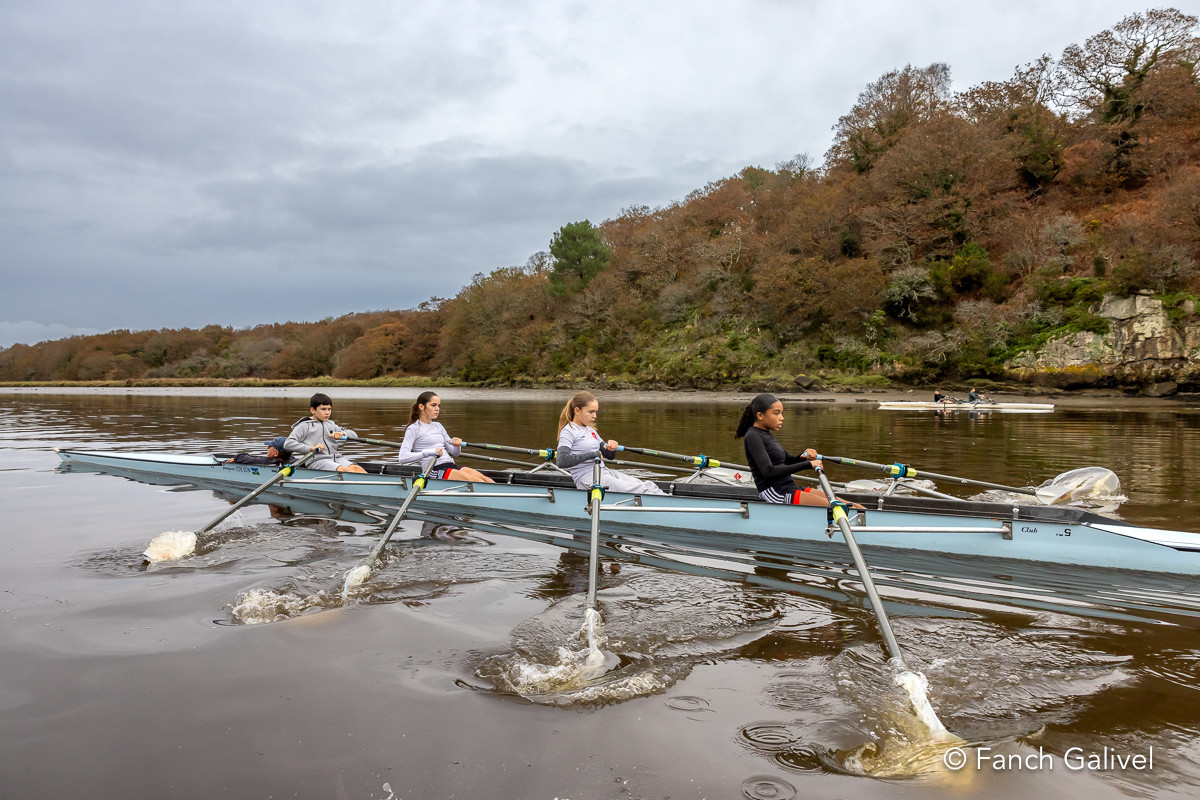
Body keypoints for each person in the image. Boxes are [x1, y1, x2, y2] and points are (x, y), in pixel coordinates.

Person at [556, 391, 665, 495]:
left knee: (648, 485)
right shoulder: (568, 431)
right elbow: (561, 461)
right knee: (640, 489)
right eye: (591, 412)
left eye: (595, 412)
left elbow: (607, 455)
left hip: (603, 471)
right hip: (586, 477)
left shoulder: (590, 430)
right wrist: (593, 455)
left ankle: (670, 503)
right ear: (577, 411)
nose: (595, 416)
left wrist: (610, 447)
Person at [735, 393, 830, 507]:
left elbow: (789, 460)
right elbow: (768, 472)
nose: (781, 418)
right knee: (836, 506)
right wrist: (808, 465)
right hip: (775, 492)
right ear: (760, 416)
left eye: (781, 413)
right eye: (776, 413)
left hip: (789, 488)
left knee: (851, 505)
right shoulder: (753, 436)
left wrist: (804, 457)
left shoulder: (767, 435)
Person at [398, 391, 494, 482]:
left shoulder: (438, 426)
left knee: (486, 479)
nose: (437, 409)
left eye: (438, 405)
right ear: (421, 406)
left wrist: (457, 445)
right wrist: (429, 452)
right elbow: (402, 458)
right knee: (477, 481)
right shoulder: (414, 428)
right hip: (433, 470)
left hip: (450, 465)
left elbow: (455, 453)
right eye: (433, 405)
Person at [284, 392, 367, 473]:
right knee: (345, 470)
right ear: (313, 410)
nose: (327, 413)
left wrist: (343, 434)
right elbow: (288, 444)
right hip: (317, 461)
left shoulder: (331, 424)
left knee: (357, 469)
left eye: (329, 409)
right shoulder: (304, 426)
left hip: (336, 458)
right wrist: (311, 448)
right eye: (323, 409)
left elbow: (354, 435)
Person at [225, 436, 292, 466]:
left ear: (276, 453)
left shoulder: (268, 462)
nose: (268, 448)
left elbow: (248, 459)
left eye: (270, 447)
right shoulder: (292, 460)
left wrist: (236, 458)